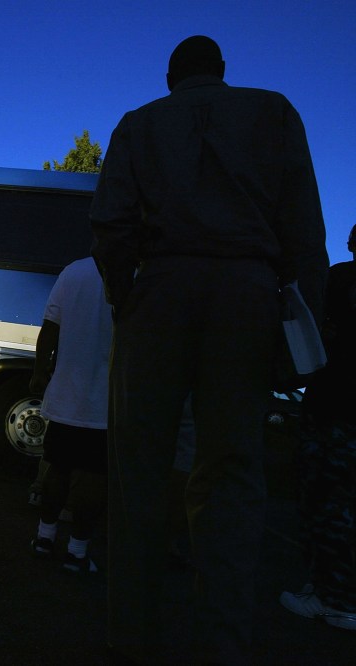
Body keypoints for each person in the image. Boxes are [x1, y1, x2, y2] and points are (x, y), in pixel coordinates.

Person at [90, 36, 329, 664]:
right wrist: (300, 335)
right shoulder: (274, 112)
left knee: (138, 469)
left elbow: (111, 224)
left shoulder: (139, 124)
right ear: (221, 72)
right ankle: (222, 643)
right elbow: (306, 231)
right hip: (248, 296)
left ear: (172, 77)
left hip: (160, 289)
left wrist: (127, 297)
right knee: (231, 474)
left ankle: (131, 636)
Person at [280, 223, 356, 630]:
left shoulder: (340, 278)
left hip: (334, 406)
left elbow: (308, 328)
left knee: (326, 501)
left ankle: (333, 597)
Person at [28, 256, 112, 574]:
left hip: (65, 393)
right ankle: (76, 553)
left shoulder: (73, 272)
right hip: (107, 400)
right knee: (94, 478)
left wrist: (39, 372)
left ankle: (43, 538)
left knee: (58, 468)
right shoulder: (136, 273)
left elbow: (49, 329)